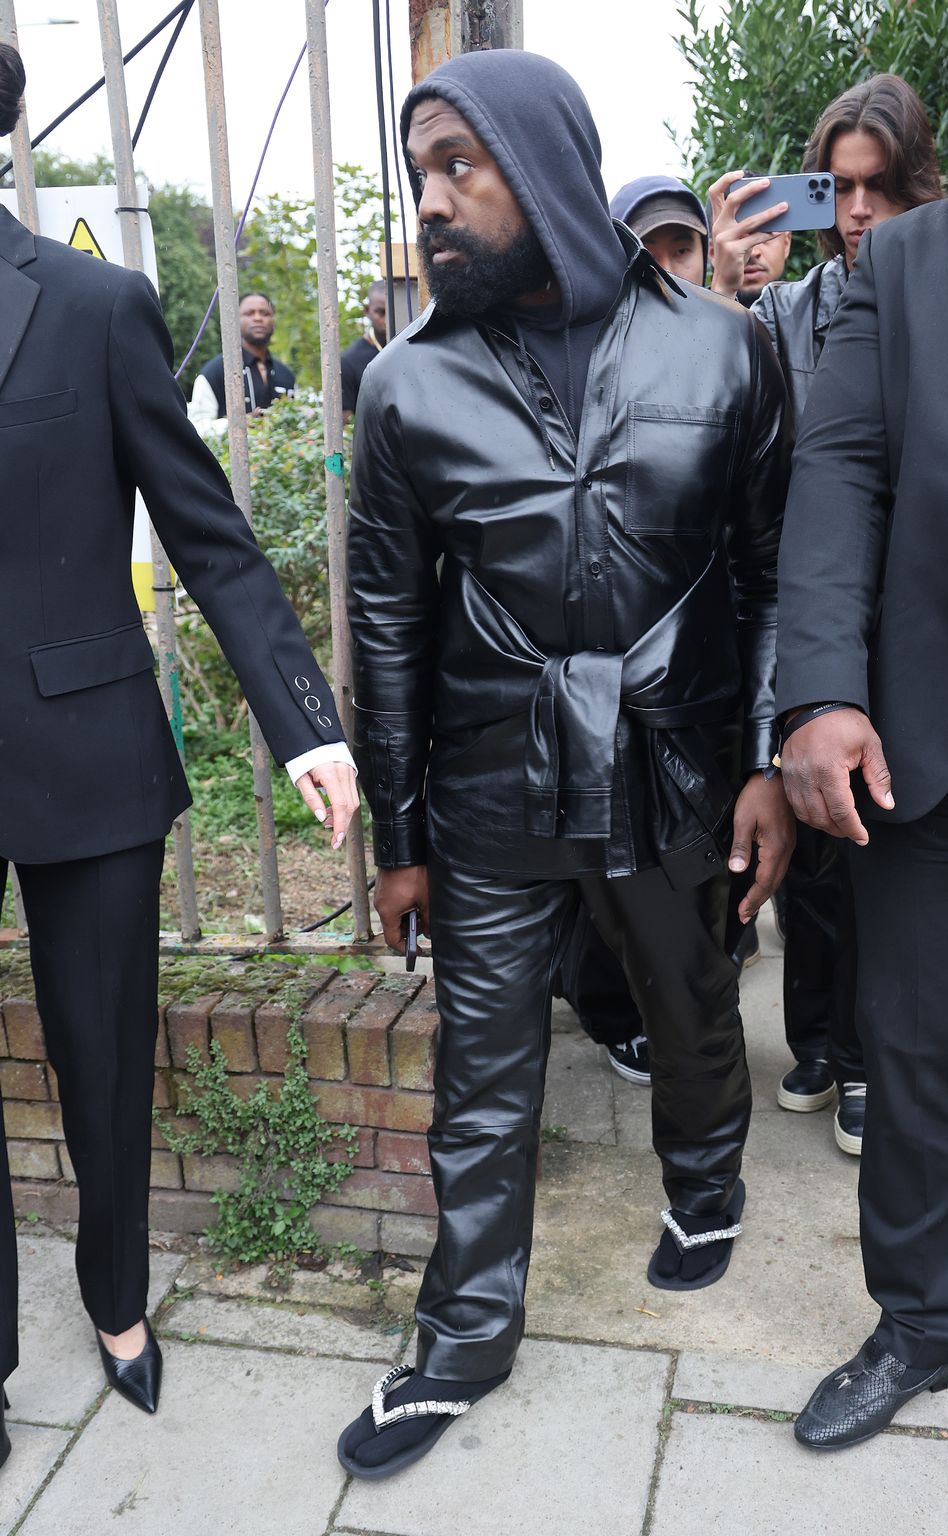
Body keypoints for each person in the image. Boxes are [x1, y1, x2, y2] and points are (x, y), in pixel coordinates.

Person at [339, 48, 793, 1480]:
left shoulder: (722, 347)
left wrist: (768, 760)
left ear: (540, 168)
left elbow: (775, 573)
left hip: (672, 761)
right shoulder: (406, 389)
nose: (431, 202)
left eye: (458, 168)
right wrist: (398, 838)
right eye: (421, 173)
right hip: (485, 783)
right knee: (482, 1068)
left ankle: (706, 1187)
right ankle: (461, 1338)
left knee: (687, 991)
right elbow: (386, 623)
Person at [0, 44, 358, 1472]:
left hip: (82, 748)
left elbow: (206, 528)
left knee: (100, 1054)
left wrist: (301, 722)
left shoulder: (90, 307)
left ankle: (115, 1297)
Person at [775, 0, 948, 1448]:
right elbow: (839, 479)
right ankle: (924, 1322)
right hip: (930, 745)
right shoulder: (910, 266)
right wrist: (819, 691)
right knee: (922, 1046)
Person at [736, 77, 944, 1157]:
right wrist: (717, 290)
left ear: (916, 190)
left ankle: (865, 1056)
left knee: (886, 858)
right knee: (808, 863)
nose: (859, 213)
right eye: (840, 188)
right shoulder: (777, 314)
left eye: (880, 187)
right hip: (805, 609)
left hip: (917, 629)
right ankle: (816, 1041)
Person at [560, 179, 758, 1089]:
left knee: (710, 869)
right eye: (650, 249)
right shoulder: (595, 369)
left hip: (711, 673)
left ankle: (689, 1014)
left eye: (683, 248)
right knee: (611, 871)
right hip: (612, 679)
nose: (665, 266)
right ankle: (616, 1011)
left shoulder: (734, 345)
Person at [188, 292, 296, 426]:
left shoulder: (286, 374)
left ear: (274, 321)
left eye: (265, 313)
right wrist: (236, 425)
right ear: (235, 321)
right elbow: (197, 427)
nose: (258, 318)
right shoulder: (215, 372)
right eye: (249, 313)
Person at [341, 278, 388, 422]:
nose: (386, 320)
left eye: (392, 312)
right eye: (381, 312)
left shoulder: (410, 350)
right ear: (367, 310)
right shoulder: (349, 361)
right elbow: (347, 424)